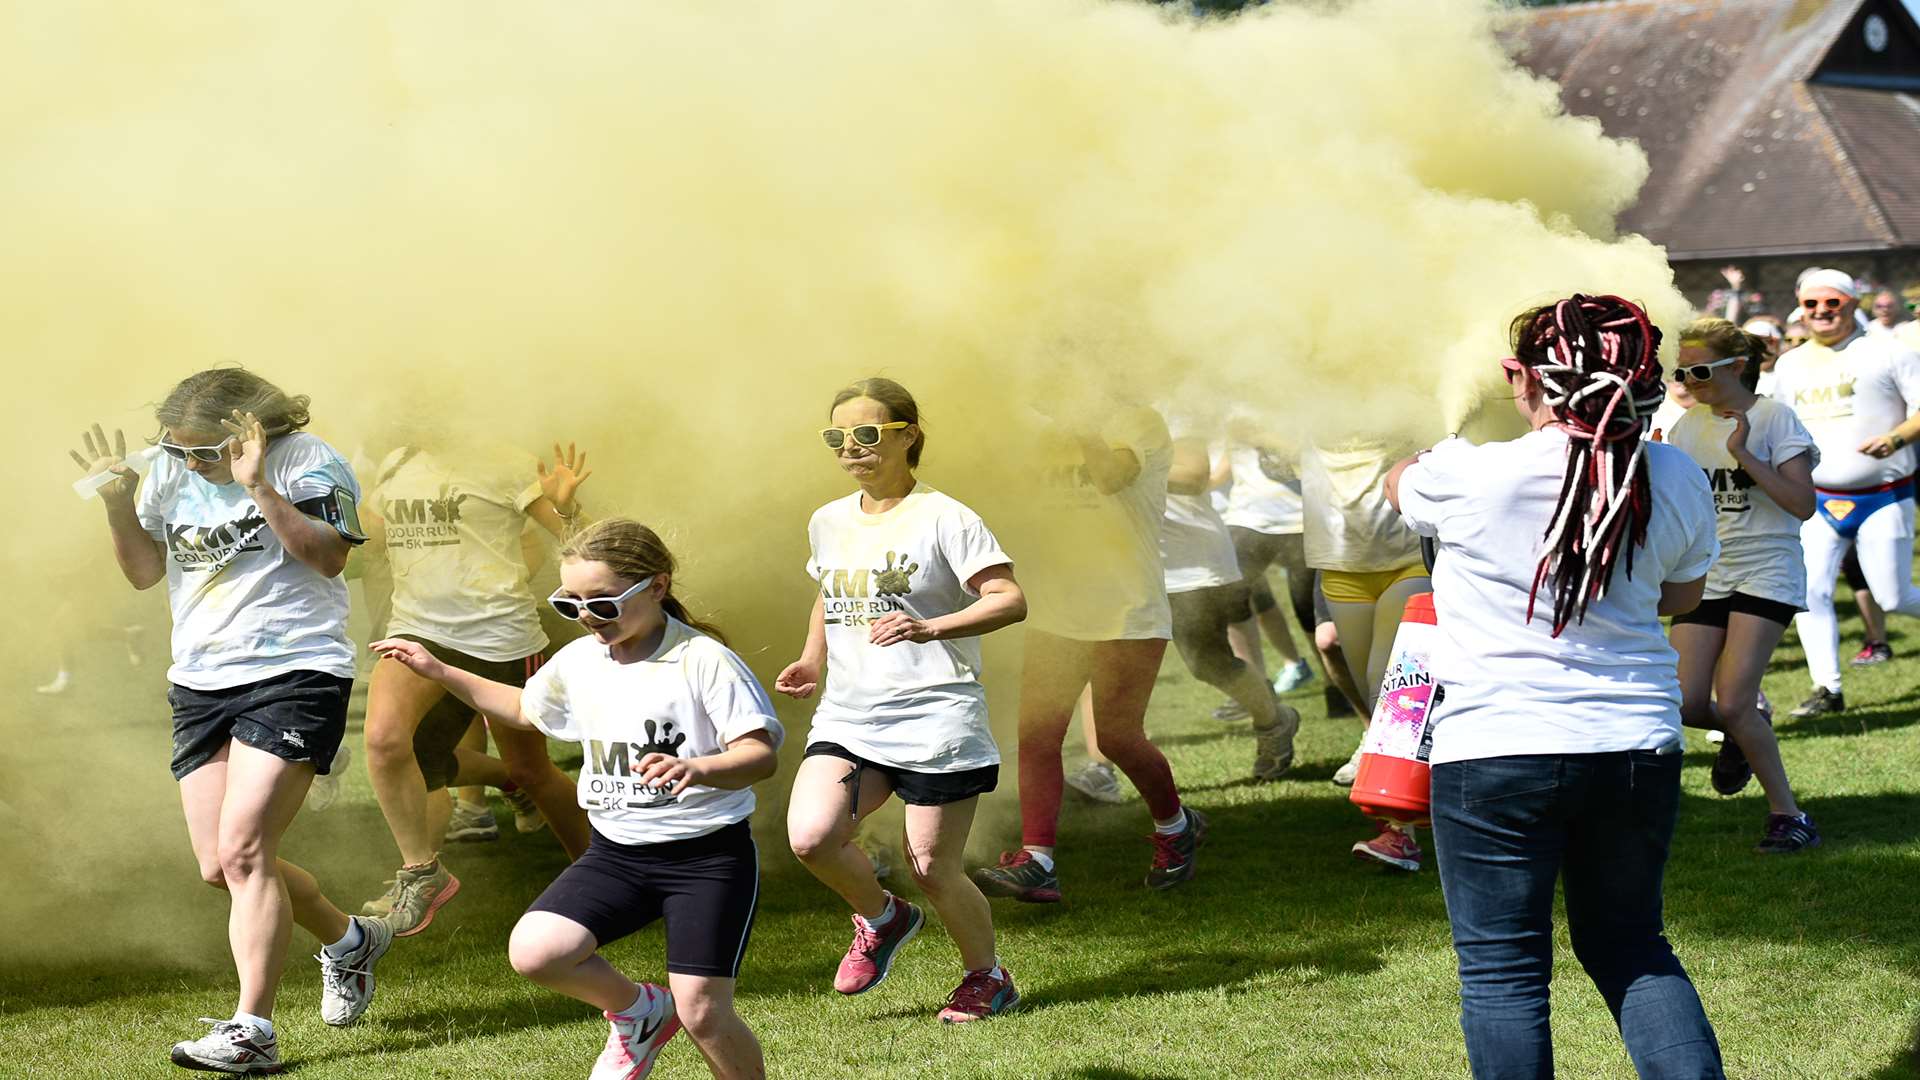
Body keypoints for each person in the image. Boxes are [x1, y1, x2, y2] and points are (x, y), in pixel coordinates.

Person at [1390, 294, 1724, 1077]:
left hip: (1495, 749)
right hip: (1635, 741)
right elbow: (1682, 598)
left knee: (1502, 976)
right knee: (1633, 947)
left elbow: (1396, 480)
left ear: (1525, 377)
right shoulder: (1675, 472)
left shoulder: (1471, 472)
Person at [374, 518, 780, 1080]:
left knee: (705, 1014)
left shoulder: (703, 660)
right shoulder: (581, 660)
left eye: (604, 604)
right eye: (572, 605)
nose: (588, 617)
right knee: (536, 951)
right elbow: (523, 709)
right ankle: (640, 1013)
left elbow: (760, 755)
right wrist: (439, 670)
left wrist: (699, 767)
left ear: (657, 586)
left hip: (705, 858)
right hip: (617, 854)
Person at [71, 369, 392, 1074]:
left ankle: (254, 1030)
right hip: (200, 680)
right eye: (176, 449)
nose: (189, 464)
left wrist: (255, 485)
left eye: (204, 452)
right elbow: (144, 574)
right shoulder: (162, 470)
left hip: (296, 671)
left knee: (247, 851)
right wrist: (119, 503)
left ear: (250, 430)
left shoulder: (308, 461)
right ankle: (349, 941)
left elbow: (330, 559)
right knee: (221, 865)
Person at [776, 378, 1028, 1023]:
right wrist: (813, 657)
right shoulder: (828, 519)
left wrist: (930, 626)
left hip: (936, 714)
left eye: (866, 434)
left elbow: (1008, 599)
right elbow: (830, 593)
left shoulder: (947, 516)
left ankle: (986, 977)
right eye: (838, 438)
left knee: (932, 867)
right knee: (811, 836)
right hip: (850, 714)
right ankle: (882, 920)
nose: (851, 449)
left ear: (907, 434)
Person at [971, 396, 1205, 903]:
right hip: (1056, 609)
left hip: (1127, 610)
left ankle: (1175, 827)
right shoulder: (1038, 430)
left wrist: (1078, 425)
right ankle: (1038, 860)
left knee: (1119, 737)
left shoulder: (1139, 421)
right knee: (1036, 735)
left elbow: (1111, 476)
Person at [358, 440, 595, 934]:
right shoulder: (395, 462)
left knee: (531, 771)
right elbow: (369, 540)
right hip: (417, 630)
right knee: (386, 743)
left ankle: (604, 876)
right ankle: (421, 872)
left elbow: (580, 545)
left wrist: (567, 507)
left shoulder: (504, 463)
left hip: (501, 637)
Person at [1657, 318, 1822, 853]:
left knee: (1731, 702)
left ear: (1737, 366)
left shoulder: (1775, 419)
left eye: (1699, 370)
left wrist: (1745, 454)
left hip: (1766, 568)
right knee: (1682, 703)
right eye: (1681, 372)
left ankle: (1789, 816)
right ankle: (1745, 725)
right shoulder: (1686, 425)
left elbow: (1802, 505)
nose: (1689, 380)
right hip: (1709, 571)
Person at [1769, 269, 1920, 717]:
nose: (1821, 312)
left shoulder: (1889, 351)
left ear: (1853, 303)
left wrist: (1896, 439)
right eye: (1811, 305)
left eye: (1831, 303)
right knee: (1810, 592)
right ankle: (1827, 688)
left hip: (1885, 492)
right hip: (1816, 499)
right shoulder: (1789, 364)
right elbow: (1779, 426)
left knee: (1893, 597)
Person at [1303, 440, 1431, 871]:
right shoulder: (1299, 390)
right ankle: (1417, 815)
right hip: (1341, 564)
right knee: (1380, 707)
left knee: (1389, 687)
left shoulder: (1397, 381)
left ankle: (1401, 832)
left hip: (1408, 555)